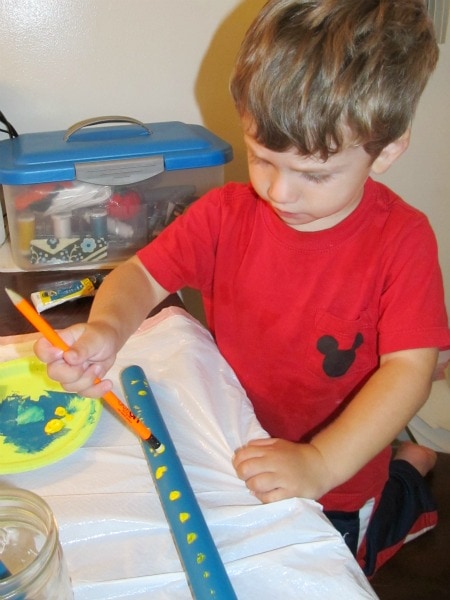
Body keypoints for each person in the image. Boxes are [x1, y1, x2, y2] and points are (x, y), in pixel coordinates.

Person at [35, 0, 450, 577]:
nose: (280, 192)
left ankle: (412, 476)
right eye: (262, 159)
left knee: (358, 545)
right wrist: (106, 328)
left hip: (340, 474)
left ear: (387, 149)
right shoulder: (226, 212)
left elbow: (410, 370)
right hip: (237, 436)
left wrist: (321, 463)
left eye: (314, 174)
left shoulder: (403, 239)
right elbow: (141, 275)